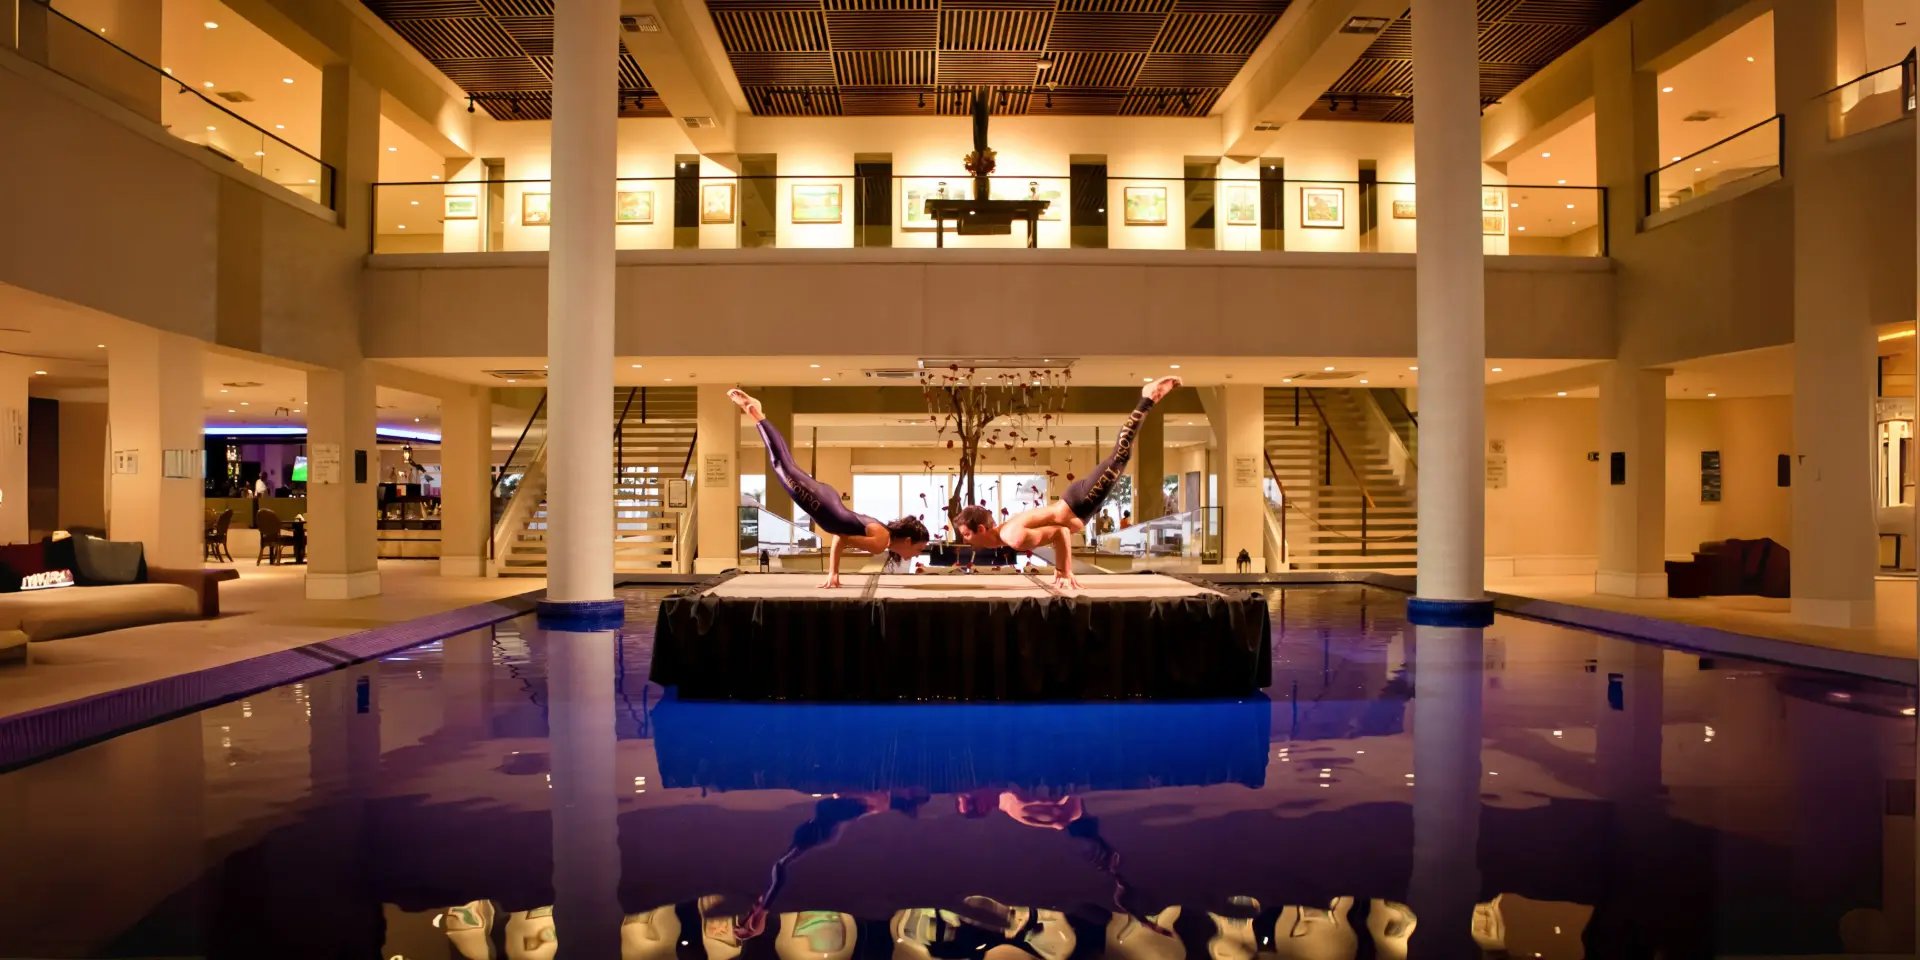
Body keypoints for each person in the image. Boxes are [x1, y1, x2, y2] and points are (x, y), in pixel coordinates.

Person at [954, 376, 1179, 590]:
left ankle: (1147, 398)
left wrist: (1063, 569)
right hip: (1079, 507)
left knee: (1120, 456)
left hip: (1078, 503)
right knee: (1119, 458)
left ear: (981, 529)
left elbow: (1060, 532)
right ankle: (1147, 398)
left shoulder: (1013, 537)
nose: (964, 540)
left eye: (966, 534)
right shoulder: (1008, 534)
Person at [729, 389, 931, 588]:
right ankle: (756, 412)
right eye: (919, 549)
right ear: (907, 541)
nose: (917, 554)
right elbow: (842, 537)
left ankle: (757, 413)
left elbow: (840, 536)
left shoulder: (883, 536)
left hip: (827, 501)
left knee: (785, 464)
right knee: (781, 464)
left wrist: (833, 573)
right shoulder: (881, 541)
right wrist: (834, 572)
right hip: (824, 505)